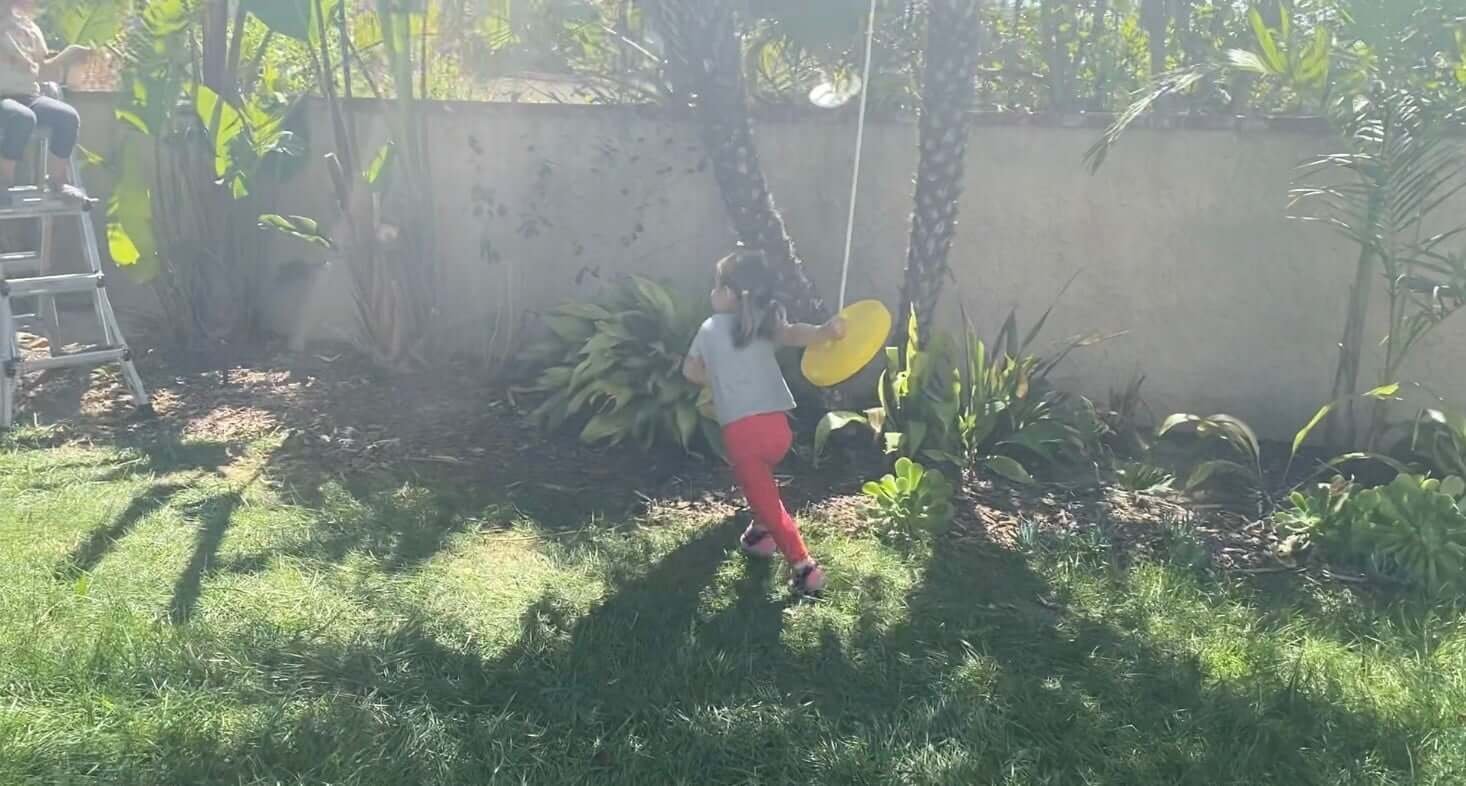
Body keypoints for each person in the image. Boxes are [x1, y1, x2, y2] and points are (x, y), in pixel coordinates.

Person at [682, 250, 846, 595]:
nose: (712, 293)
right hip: (779, 428)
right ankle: (760, 535)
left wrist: (718, 378)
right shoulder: (762, 323)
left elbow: (691, 372)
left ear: (729, 293)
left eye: (716, 285)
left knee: (769, 500)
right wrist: (824, 332)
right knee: (759, 484)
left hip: (743, 432)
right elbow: (796, 334)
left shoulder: (710, 327)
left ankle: (804, 568)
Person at [0, 0, 92, 205]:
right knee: (22, 118)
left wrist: (69, 55)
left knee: (67, 117)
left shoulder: (30, 29)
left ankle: (59, 181)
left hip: (27, 95)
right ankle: (3, 182)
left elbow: (42, 72)